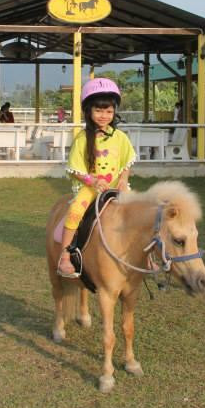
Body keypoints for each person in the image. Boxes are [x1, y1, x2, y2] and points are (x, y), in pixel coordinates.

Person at [56, 78, 135, 277]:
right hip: (91, 188)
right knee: (75, 210)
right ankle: (65, 257)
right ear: (89, 111)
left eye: (109, 111)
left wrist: (124, 179)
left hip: (117, 186)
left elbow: (127, 162)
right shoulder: (82, 138)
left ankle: (148, 257)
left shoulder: (120, 138)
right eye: (99, 110)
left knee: (142, 211)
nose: (104, 116)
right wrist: (93, 181)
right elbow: (75, 169)